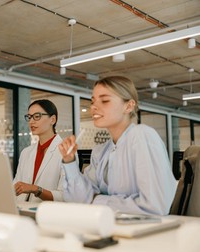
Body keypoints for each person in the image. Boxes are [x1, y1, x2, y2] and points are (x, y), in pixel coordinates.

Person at [58, 76, 176, 215]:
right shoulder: (100, 151)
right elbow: (77, 198)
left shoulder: (142, 136)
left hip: (145, 232)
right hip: (109, 228)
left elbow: (155, 206)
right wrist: (69, 161)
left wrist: (96, 200)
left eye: (105, 100)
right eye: (93, 101)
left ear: (128, 106)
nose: (94, 107)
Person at [13, 99, 64, 202]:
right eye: (29, 117)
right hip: (22, 211)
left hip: (47, 214)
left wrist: (36, 189)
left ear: (52, 120)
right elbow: (16, 186)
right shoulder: (26, 152)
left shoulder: (66, 152)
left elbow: (64, 196)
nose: (31, 121)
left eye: (37, 116)